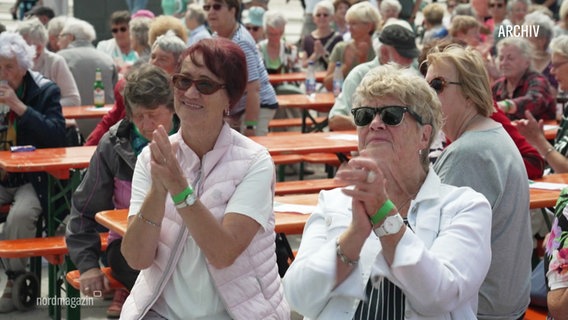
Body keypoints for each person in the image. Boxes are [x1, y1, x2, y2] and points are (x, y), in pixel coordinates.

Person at [283, 63, 492, 319]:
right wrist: (354, 237)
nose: (376, 124)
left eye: (392, 115)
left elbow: (440, 297)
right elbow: (296, 297)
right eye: (365, 115)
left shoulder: (465, 205)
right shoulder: (334, 201)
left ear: (424, 136)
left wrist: (384, 216)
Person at [120, 37, 289, 319]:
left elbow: (223, 253)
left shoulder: (255, 162)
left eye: (206, 85)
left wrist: (179, 189)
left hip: (236, 313)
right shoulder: (153, 157)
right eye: (183, 81)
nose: (190, 93)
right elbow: (137, 258)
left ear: (229, 99)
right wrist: (158, 193)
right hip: (160, 312)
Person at [426, 45, 533, 320]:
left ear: (470, 92)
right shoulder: (491, 134)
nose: (426, 96)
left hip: (480, 309)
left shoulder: (469, 152)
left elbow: (429, 240)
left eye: (437, 85)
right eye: (424, 86)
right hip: (504, 302)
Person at [65, 64, 179, 319]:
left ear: (173, 107)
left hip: (185, 240)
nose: (146, 124)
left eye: (153, 114)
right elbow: (84, 210)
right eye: (138, 116)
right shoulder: (115, 144)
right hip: (130, 245)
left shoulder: (192, 137)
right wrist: (88, 265)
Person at [0, 31, 66, 313]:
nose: (1, 73)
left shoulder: (45, 90)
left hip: (33, 176)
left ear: (24, 66)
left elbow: (56, 137)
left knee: (22, 215)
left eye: (8, 67)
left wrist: (19, 107)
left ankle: (14, 280)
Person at [85, 32, 186, 146]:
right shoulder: (129, 88)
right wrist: (87, 147)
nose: (154, 62)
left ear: (178, 65)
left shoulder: (185, 95)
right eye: (153, 57)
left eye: (163, 59)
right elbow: (109, 121)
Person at [205, 0, 278, 136]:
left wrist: (250, 126)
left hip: (259, 105)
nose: (210, 11)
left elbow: (253, 88)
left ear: (233, 10)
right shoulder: (215, 37)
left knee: (252, 147)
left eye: (217, 6)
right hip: (238, 106)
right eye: (207, 7)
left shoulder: (241, 42)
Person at [328, 22, 419, 131]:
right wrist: (379, 124)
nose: (410, 60)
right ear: (384, 52)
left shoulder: (414, 76)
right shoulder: (360, 75)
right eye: (405, 55)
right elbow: (335, 121)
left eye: (412, 56)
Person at [515, 35, 568, 173]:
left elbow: (566, 171)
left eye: (556, 65)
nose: (552, 71)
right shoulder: (498, 86)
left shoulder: (536, 80)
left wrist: (539, 141)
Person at [16, 17, 80, 107]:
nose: (17, 49)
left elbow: (73, 100)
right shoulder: (11, 62)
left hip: (47, 119)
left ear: (38, 48)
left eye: (22, 46)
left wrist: (42, 107)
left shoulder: (55, 62)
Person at [57, 18, 117, 107]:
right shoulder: (107, 59)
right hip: (106, 118)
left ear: (71, 37)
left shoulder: (59, 58)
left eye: (61, 36)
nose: (58, 42)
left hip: (71, 117)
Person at [492, 37, 556, 121]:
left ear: (527, 62)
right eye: (501, 58)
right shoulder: (497, 86)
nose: (504, 63)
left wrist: (506, 105)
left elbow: (535, 100)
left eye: (510, 58)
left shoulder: (537, 80)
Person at [323, 1, 381, 92]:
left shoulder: (380, 50)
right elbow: (328, 85)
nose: (349, 28)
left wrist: (363, 58)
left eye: (354, 24)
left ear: (369, 26)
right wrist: (346, 66)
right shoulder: (340, 48)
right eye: (348, 23)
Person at [300, 0, 344, 72]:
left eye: (325, 15)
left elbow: (340, 65)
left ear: (331, 18)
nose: (322, 17)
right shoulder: (307, 39)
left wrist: (324, 53)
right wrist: (315, 55)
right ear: (314, 18)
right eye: (318, 15)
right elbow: (304, 64)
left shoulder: (338, 38)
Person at [96, 11, 139, 75]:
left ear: (130, 29)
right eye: (115, 30)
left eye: (123, 29)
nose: (119, 33)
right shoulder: (104, 47)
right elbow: (99, 68)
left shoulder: (140, 45)